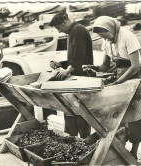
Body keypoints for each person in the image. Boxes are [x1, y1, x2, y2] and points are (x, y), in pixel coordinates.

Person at [83, 16, 141, 160]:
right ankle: (120, 148)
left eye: (106, 34)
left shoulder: (127, 36)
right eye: (102, 36)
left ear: (111, 28)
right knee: (117, 116)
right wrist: (94, 68)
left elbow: (135, 66)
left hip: (135, 79)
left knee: (136, 118)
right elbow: (105, 66)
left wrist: (118, 82)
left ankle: (134, 151)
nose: (105, 38)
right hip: (121, 79)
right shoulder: (106, 41)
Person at [48, 11, 93, 139]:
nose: (59, 31)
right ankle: (72, 138)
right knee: (71, 110)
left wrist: (67, 71)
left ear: (64, 23)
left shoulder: (78, 30)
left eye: (58, 28)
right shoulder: (72, 32)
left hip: (82, 78)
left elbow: (79, 56)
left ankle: (84, 140)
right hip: (76, 77)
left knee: (81, 111)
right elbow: (73, 58)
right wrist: (60, 64)